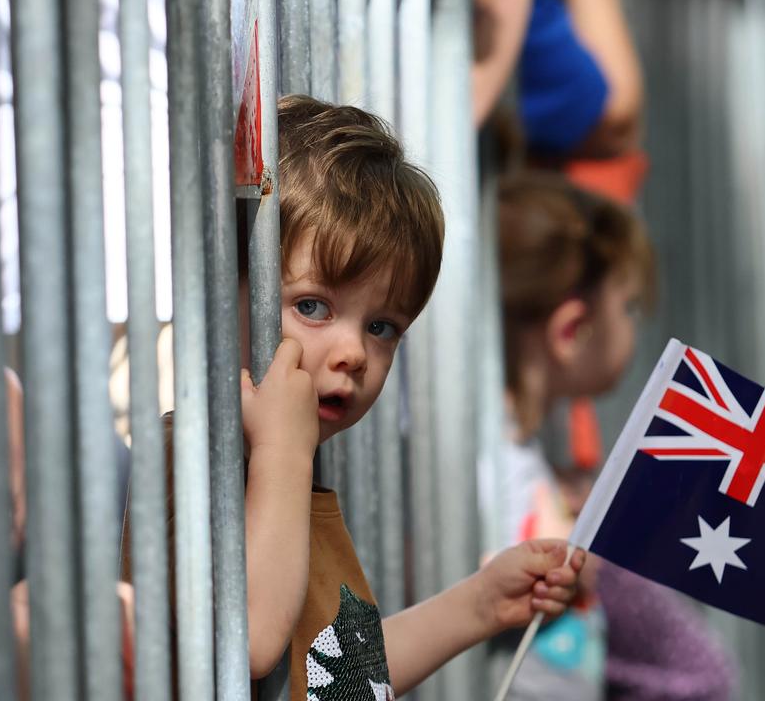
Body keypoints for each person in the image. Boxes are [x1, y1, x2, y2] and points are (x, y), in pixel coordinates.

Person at [120, 95, 584, 700]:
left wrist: (480, 605)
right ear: (219, 290)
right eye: (312, 306)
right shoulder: (192, 455)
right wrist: (284, 454)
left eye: (382, 326)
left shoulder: (291, 471)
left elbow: (340, 678)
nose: (354, 353)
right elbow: (251, 640)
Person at [487, 171, 650, 699]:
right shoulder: (494, 460)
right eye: (627, 306)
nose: (632, 324)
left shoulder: (519, 446)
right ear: (571, 331)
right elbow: (481, 582)